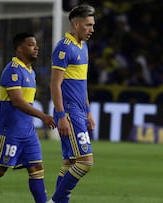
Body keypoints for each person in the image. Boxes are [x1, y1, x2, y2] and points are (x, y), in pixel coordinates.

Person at [0, 32, 56, 203]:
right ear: (20, 48)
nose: (36, 47)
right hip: (10, 130)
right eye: (31, 44)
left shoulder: (30, 71)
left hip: (27, 132)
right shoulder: (13, 70)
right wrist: (43, 116)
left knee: (36, 168)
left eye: (36, 44)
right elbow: (17, 101)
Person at [49, 4, 96, 203]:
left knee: (70, 161)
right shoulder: (63, 48)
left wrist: (88, 111)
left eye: (93, 25)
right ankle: (56, 201)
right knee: (85, 162)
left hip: (79, 111)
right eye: (88, 25)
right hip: (68, 111)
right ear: (76, 24)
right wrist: (61, 116)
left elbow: (82, 83)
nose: (92, 29)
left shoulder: (83, 47)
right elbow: (55, 84)